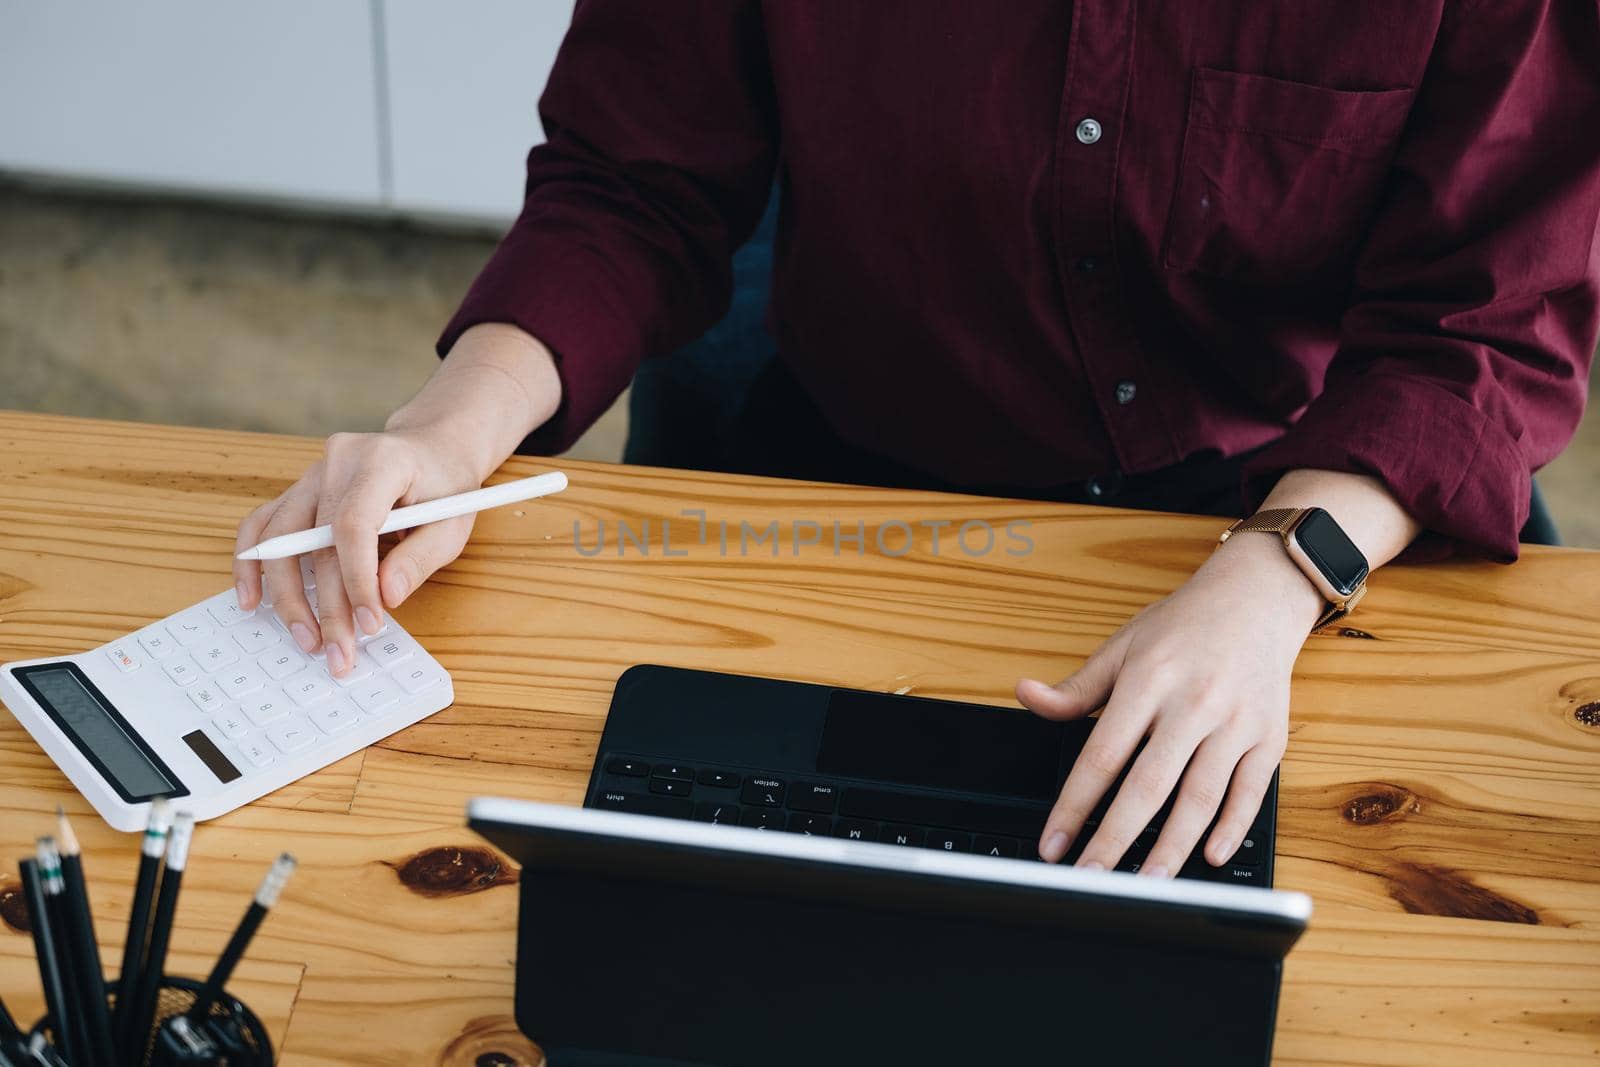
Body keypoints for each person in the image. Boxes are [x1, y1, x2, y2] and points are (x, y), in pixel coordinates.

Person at [233, 3, 1600, 877]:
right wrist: (448, 433)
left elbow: (1483, 318)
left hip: (1295, 515)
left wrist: (1275, 576)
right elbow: (632, 182)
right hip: (873, 475)